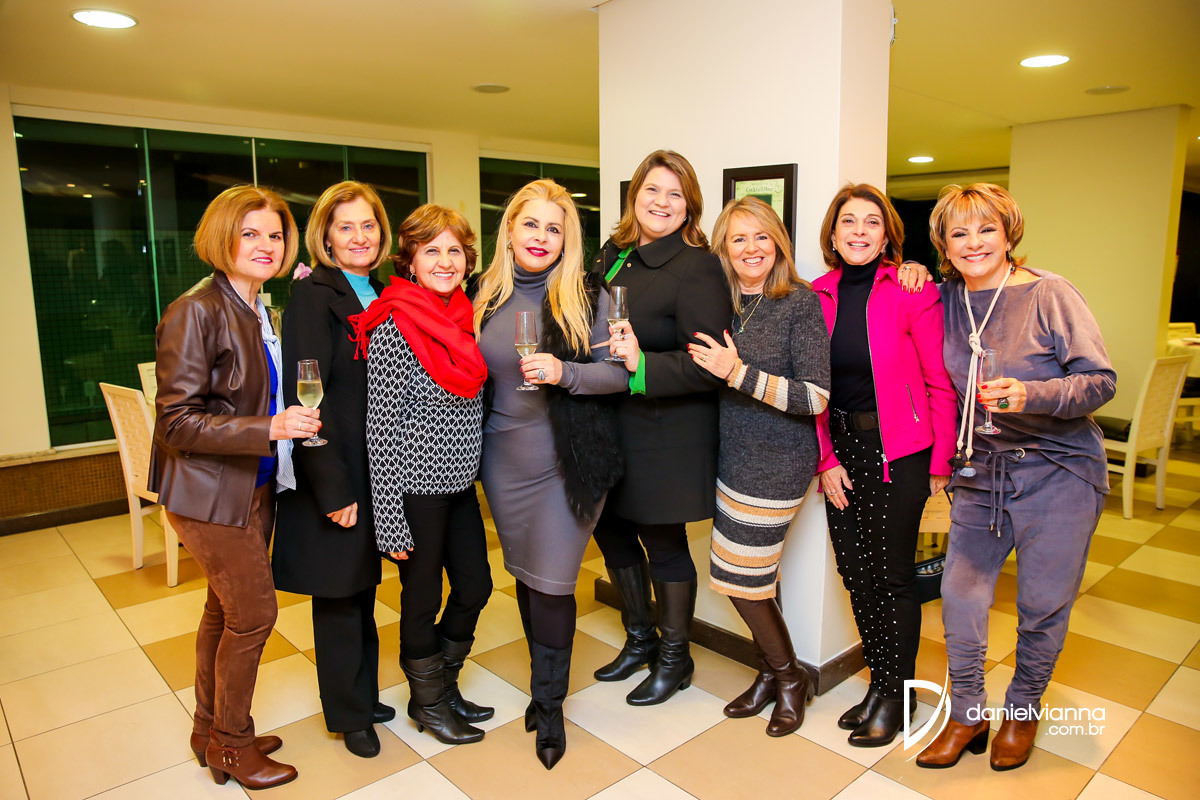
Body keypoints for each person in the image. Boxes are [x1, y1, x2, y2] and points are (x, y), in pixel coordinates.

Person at [916, 183, 1115, 771]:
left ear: (1009, 234)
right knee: (960, 597)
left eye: (986, 229)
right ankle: (967, 712)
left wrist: (1033, 394)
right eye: (959, 233)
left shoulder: (1049, 293)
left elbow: (1100, 380)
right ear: (943, 245)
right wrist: (905, 273)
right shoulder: (944, 300)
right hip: (982, 473)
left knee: (1042, 604)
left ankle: (1023, 711)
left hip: (1060, 472)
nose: (973, 243)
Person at [150, 185, 317, 790]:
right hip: (208, 494)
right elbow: (175, 423)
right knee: (254, 614)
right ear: (223, 237)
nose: (266, 245)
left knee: (223, 613)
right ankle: (233, 746)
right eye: (251, 234)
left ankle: (209, 731)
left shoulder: (255, 308)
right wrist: (268, 427)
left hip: (252, 484)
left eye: (275, 235)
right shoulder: (196, 310)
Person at [473, 179, 628, 769]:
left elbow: (619, 375)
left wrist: (566, 372)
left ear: (568, 240)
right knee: (526, 571)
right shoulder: (482, 294)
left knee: (555, 582)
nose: (541, 237)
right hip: (503, 459)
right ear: (510, 230)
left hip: (569, 463)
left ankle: (550, 706)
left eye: (554, 228)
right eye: (531, 224)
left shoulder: (589, 296)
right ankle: (542, 690)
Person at [813, 183, 957, 747]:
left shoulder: (911, 291)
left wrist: (940, 462)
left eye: (872, 222)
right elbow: (810, 387)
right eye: (849, 221)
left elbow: (939, 382)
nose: (859, 231)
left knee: (892, 577)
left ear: (887, 235)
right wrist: (824, 459)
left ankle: (897, 696)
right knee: (855, 573)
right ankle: (882, 684)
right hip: (839, 451)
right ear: (833, 234)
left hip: (900, 452)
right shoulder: (817, 294)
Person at [590, 150, 731, 706]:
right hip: (608, 424)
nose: (662, 202)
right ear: (635, 196)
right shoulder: (613, 254)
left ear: (689, 206)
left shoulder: (698, 266)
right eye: (652, 190)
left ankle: (675, 659)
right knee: (611, 531)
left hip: (663, 431)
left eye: (675, 194)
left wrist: (641, 364)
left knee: (664, 544)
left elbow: (708, 364)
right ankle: (639, 638)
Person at [350, 204, 492, 747]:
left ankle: (441, 686)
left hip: (460, 484)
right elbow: (381, 427)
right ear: (409, 260)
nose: (445, 261)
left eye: (454, 250)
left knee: (476, 586)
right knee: (422, 598)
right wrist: (389, 518)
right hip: (413, 489)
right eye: (431, 250)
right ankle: (429, 704)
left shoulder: (466, 317)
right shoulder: (392, 322)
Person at [687, 197, 829, 736]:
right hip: (731, 456)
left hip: (778, 461)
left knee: (740, 577)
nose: (751, 249)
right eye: (739, 239)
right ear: (723, 248)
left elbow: (814, 397)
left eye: (762, 237)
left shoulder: (799, 303)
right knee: (753, 576)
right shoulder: (721, 302)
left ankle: (790, 677)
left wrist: (737, 372)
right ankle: (771, 673)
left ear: (778, 244)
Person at [273, 181, 395, 759]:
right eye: (345, 227)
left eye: (368, 225)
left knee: (362, 587)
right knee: (339, 596)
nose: (358, 237)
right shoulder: (312, 294)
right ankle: (349, 715)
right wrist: (331, 485)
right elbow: (307, 394)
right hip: (337, 467)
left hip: (378, 467)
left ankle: (363, 694)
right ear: (325, 236)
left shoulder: (385, 290)